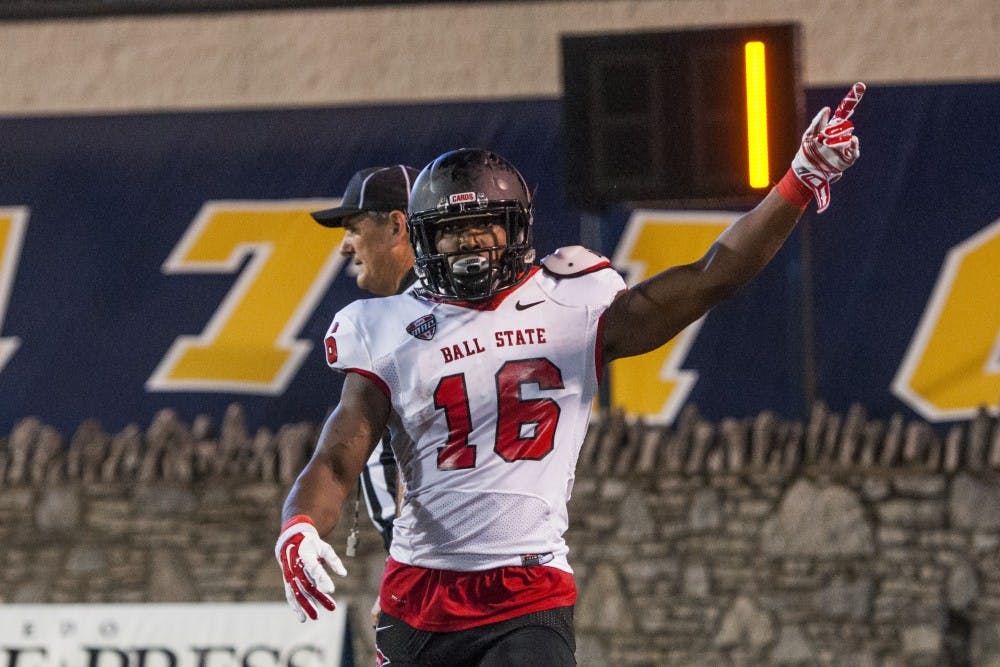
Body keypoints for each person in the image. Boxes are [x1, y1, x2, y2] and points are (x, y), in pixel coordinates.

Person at [276, 83, 867, 666]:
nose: (470, 246)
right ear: (425, 240)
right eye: (453, 232)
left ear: (516, 229)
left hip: (528, 590)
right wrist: (300, 524)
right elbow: (336, 456)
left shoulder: (572, 302)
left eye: (484, 227)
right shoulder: (389, 326)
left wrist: (796, 182)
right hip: (421, 593)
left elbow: (713, 274)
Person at [309, 164, 420, 623]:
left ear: (397, 226)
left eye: (355, 228)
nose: (344, 246)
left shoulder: (426, 326)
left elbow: (432, 456)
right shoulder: (401, 318)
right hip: (424, 575)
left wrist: (407, 573)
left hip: (437, 584)